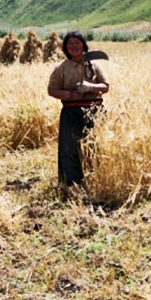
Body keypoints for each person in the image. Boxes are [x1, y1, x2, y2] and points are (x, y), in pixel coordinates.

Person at [47, 30, 109, 186]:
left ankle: (96, 179)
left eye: (77, 43)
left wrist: (90, 87)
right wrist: (71, 95)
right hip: (71, 112)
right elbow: (52, 90)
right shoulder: (61, 68)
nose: (74, 46)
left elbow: (106, 86)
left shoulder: (94, 65)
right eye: (70, 44)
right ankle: (72, 184)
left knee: (95, 145)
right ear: (65, 48)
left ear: (83, 45)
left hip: (94, 110)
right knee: (70, 147)